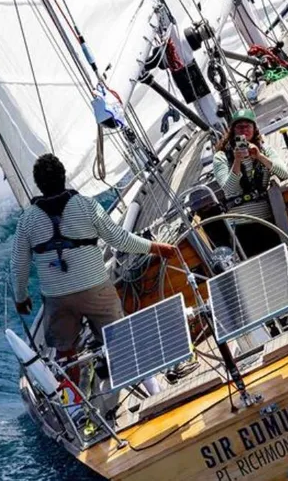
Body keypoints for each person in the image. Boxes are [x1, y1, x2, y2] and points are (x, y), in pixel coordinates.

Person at [11, 154, 177, 364]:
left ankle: (69, 381)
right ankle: (129, 372)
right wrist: (156, 248)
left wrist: (21, 298)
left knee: (64, 355)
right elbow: (120, 239)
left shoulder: (27, 220)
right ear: (64, 176)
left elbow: (19, 265)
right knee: (118, 342)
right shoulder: (86, 205)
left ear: (38, 184)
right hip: (95, 289)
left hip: (57, 297)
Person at [213, 108, 288, 258]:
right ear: (232, 131)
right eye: (239, 126)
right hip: (241, 227)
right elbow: (229, 189)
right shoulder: (221, 157)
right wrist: (237, 161)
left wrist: (260, 157)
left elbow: (284, 174)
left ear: (254, 129)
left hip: (268, 220)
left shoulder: (264, 150)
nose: (244, 130)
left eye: (248, 126)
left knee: (279, 259)